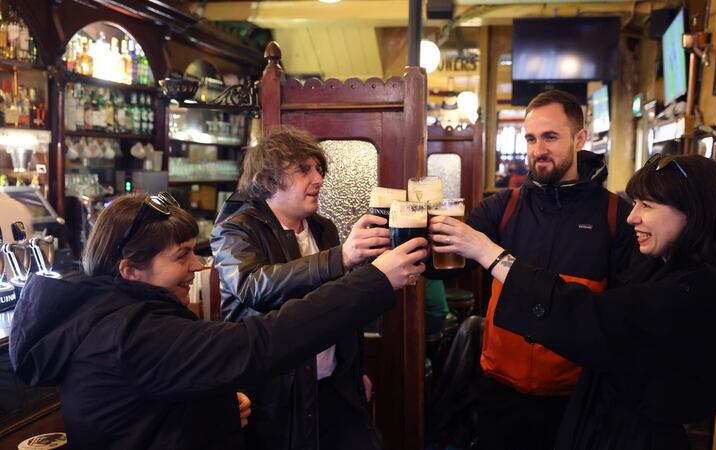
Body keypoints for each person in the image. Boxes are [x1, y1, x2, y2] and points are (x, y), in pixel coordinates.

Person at [10, 193, 427, 450]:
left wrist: (216, 408)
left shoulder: (110, 314)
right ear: (129, 270)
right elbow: (262, 341)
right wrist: (374, 280)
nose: (197, 266)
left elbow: (153, 412)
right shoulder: (130, 334)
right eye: (182, 256)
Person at [429, 154, 716, 449]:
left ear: (692, 213)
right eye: (634, 203)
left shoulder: (700, 291)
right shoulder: (659, 265)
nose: (632, 217)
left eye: (647, 205)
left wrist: (489, 253)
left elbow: (588, 313)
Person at [429, 90, 636, 450]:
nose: (538, 149)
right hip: (499, 391)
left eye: (551, 137)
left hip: (574, 398)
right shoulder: (500, 208)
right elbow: (445, 269)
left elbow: (621, 317)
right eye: (531, 138)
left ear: (580, 138)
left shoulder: (616, 216)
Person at [211, 127, 391, 450]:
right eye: (303, 170)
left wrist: (353, 373)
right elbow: (253, 284)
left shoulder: (323, 228)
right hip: (276, 399)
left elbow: (343, 305)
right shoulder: (235, 228)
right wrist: (340, 257)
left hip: (334, 387)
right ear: (268, 181)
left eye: (318, 169)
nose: (318, 179)